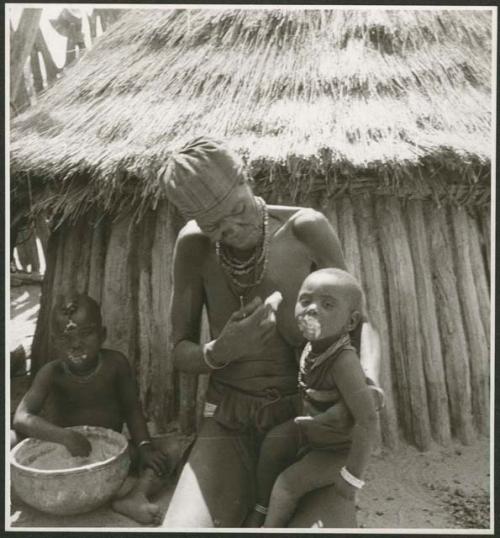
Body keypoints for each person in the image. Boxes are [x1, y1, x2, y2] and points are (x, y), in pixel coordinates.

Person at [160, 136, 372, 528]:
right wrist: (219, 350)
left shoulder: (305, 230)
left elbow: (360, 325)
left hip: (306, 422)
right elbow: (180, 351)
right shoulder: (194, 246)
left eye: (238, 210)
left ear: (247, 178)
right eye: (214, 226)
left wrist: (357, 400)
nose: (232, 229)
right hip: (229, 420)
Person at [12, 292, 169, 525]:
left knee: (171, 448)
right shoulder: (51, 373)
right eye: (66, 338)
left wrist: (145, 447)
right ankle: (17, 491)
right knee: (10, 439)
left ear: (102, 334)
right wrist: (64, 437)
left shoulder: (115, 365)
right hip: (62, 456)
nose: (76, 344)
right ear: (55, 342)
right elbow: (21, 418)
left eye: (86, 334)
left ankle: (136, 496)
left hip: (110, 456)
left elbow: (132, 410)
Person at [243, 268, 382, 527]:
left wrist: (352, 476)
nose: (312, 309)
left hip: (336, 450)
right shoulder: (313, 346)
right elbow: (308, 392)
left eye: (327, 304)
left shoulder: (343, 362)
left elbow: (368, 419)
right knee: (273, 443)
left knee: (287, 484)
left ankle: (268, 528)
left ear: (350, 323)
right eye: (305, 301)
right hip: (312, 434)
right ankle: (261, 507)